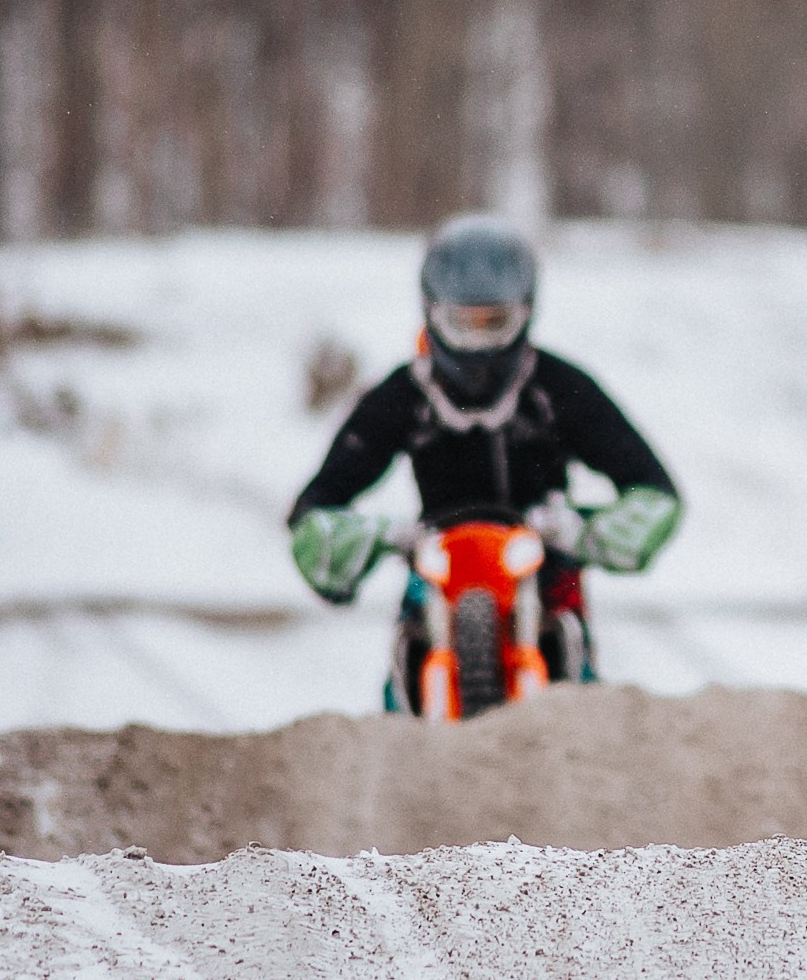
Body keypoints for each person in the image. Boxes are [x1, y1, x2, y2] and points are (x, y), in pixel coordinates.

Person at [286, 215, 680, 698]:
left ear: (525, 313)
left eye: (494, 324)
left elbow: (654, 489)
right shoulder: (402, 397)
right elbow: (314, 507)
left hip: (546, 570)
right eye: (461, 324)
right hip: (435, 568)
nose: (477, 346)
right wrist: (376, 537)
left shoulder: (559, 390)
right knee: (397, 702)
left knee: (585, 705)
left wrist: (585, 531)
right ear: (431, 313)